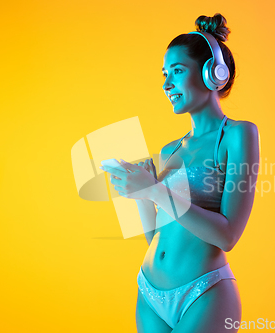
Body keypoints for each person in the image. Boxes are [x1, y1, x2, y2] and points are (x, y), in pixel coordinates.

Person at [101, 13, 260, 333]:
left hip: (205, 294)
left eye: (177, 71)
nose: (166, 84)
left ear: (212, 74)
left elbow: (228, 236)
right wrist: (140, 196)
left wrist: (156, 190)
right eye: (164, 74)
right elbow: (155, 237)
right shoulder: (169, 150)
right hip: (148, 292)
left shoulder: (237, 135)